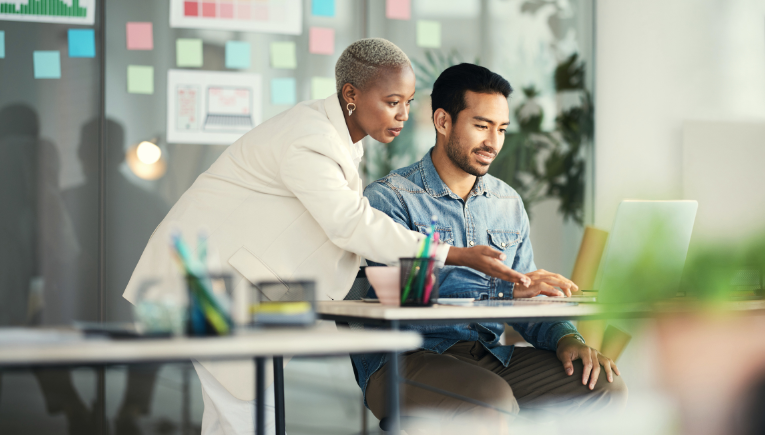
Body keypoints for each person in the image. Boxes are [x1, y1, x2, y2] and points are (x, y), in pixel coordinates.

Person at [123, 39, 531, 434]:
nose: (404, 114)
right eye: (392, 102)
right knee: (247, 420)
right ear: (351, 94)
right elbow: (350, 224)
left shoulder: (336, 140)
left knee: (238, 419)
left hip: (229, 288)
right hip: (202, 286)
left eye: (407, 102)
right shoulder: (311, 138)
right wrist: (456, 254)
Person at [355, 63, 627, 432]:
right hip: (404, 358)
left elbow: (529, 295)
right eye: (482, 126)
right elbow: (406, 298)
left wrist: (567, 337)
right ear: (442, 121)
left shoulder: (507, 202)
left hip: (486, 355)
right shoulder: (391, 198)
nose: (493, 142)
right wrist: (503, 288)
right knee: (491, 400)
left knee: (603, 386)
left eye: (501, 129)